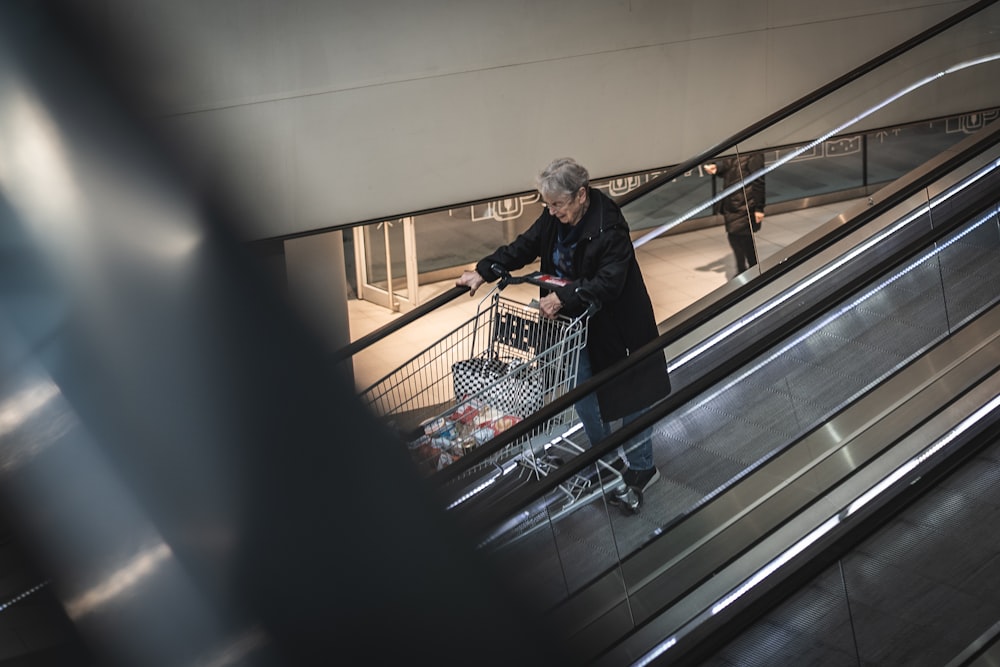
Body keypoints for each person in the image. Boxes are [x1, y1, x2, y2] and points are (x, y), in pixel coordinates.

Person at [456, 157, 671, 496]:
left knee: (635, 393)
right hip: (574, 325)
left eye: (557, 204)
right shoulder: (554, 218)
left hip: (617, 325)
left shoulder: (609, 226)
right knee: (581, 391)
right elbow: (525, 245)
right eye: (547, 205)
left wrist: (564, 297)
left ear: (581, 194)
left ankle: (643, 467)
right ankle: (607, 455)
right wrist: (485, 270)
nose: (552, 211)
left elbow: (609, 282)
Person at [704, 152, 766, 273]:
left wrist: (759, 207)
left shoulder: (754, 153)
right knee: (734, 235)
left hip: (746, 202)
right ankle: (743, 270)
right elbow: (729, 169)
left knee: (743, 238)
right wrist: (717, 169)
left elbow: (758, 180)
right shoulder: (735, 150)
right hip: (732, 201)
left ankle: (750, 270)